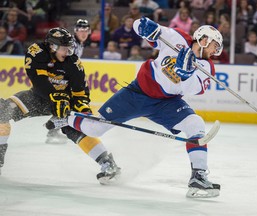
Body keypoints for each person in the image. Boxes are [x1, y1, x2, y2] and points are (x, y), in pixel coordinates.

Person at [47, 17, 223, 198]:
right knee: (94, 128)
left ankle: (198, 177)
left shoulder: (206, 66)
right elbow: (139, 26)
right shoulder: (177, 37)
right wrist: (145, 27)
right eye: (214, 45)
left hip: (166, 102)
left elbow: (194, 88)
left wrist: (185, 76)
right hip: (137, 93)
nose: (216, 51)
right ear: (203, 40)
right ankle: (64, 116)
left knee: (195, 124)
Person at [0, 27, 120, 184]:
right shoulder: (37, 51)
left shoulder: (73, 62)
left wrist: (83, 112)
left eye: (70, 47)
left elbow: (80, 92)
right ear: (52, 46)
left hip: (65, 101)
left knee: (74, 128)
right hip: (39, 96)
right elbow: (38, 80)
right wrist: (56, 96)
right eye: (65, 48)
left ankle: (108, 164)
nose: (68, 51)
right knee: (3, 110)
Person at [45, 19, 92, 144]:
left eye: (85, 30)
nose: (83, 33)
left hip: (65, 77)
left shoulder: (79, 43)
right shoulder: (72, 44)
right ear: (75, 31)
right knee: (68, 102)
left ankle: (54, 129)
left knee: (68, 104)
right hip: (60, 78)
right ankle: (55, 130)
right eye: (80, 30)